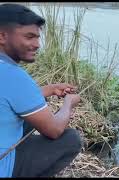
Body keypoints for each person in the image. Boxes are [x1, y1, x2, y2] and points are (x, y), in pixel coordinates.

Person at [0, 3, 82, 177]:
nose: (37, 44)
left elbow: (7, 96)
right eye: (29, 37)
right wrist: (68, 103)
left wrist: (50, 89)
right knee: (70, 139)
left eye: (37, 37)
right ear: (2, 36)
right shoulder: (14, 75)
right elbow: (54, 130)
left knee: (36, 104)